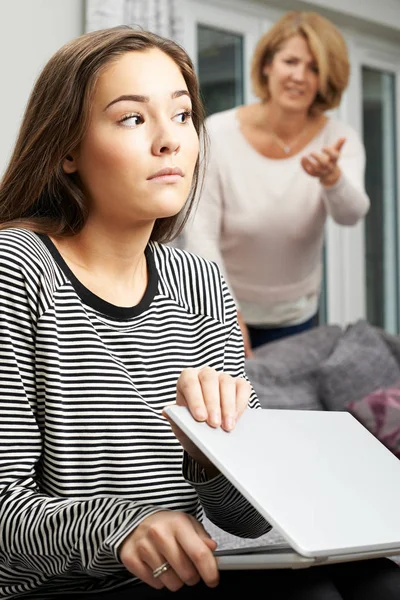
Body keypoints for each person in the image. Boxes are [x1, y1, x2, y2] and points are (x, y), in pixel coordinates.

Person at [0, 25, 398, 600]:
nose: (171, 141)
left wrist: (211, 459)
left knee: (379, 576)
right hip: (67, 588)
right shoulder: (18, 268)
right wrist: (124, 525)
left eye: (182, 115)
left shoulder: (201, 282)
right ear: (66, 149)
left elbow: (246, 520)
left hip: (184, 574)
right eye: (133, 118)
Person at [183, 11, 370, 357]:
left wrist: (333, 179)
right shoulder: (218, 135)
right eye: (291, 61)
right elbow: (200, 233)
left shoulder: (338, 138)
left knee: (285, 406)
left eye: (314, 68)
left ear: (326, 79)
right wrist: (227, 316)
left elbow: (352, 213)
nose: (300, 76)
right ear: (268, 64)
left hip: (295, 314)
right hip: (218, 308)